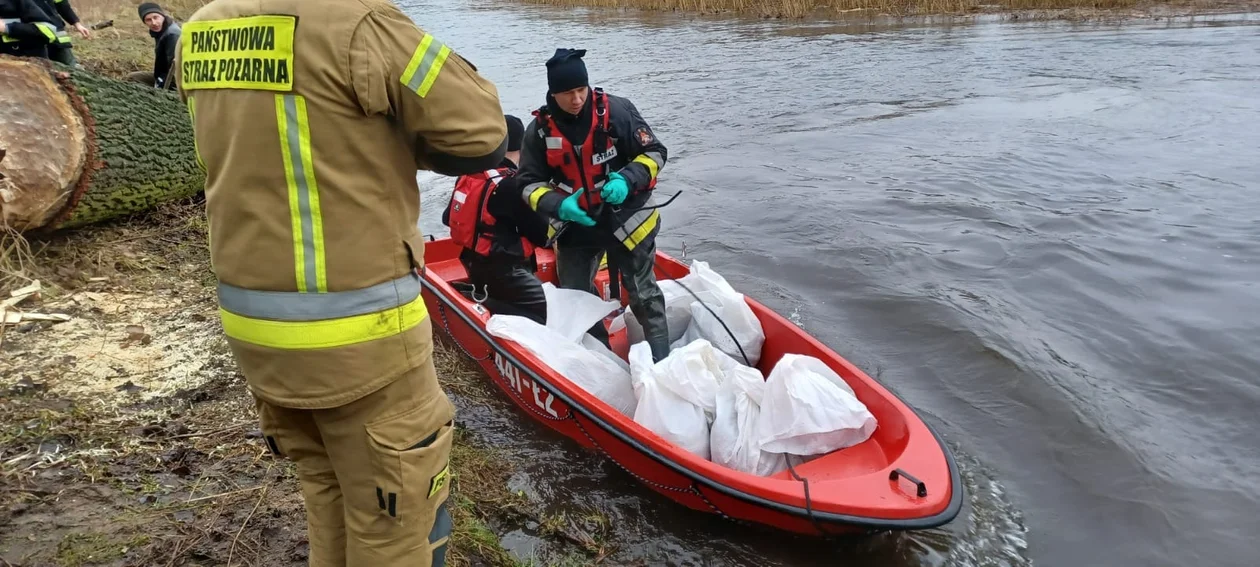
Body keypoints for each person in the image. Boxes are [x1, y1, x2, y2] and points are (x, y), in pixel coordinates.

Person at [173, 0, 507, 564]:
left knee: (329, 496)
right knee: (399, 522)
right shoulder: (362, 24)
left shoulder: (201, 30)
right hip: (361, 340)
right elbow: (481, 135)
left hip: (256, 330)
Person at [516, 48, 672, 362]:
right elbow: (526, 183)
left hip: (626, 217)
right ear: (553, 93)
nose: (576, 99)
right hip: (577, 224)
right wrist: (558, 205)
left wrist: (627, 179)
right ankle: (603, 361)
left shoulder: (617, 112)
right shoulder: (539, 131)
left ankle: (662, 362)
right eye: (567, 93)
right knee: (575, 296)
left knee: (644, 294)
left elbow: (655, 153)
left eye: (581, 90)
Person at [442, 114, 551, 325]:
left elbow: (448, 218)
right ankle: (475, 301)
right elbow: (541, 235)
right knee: (546, 314)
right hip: (507, 270)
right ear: (523, 146)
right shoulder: (512, 185)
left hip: (473, 262)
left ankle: (478, 298)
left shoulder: (469, 175)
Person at [126, 3, 179, 90]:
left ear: (162, 16)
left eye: (155, 17)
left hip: (177, 79)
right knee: (133, 77)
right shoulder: (161, 31)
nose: (154, 23)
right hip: (163, 73)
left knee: (133, 78)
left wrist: (160, 84)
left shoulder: (172, 34)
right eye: (148, 20)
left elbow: (174, 67)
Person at [32, 0, 90, 66]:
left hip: (57, 34)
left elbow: (62, 5)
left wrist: (77, 24)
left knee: (70, 67)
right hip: (31, 37)